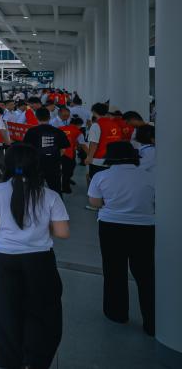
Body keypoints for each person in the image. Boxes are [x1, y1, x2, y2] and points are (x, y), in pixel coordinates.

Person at [0, 144, 70, 369]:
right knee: (42, 311)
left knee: (5, 311)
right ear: (36, 166)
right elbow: (62, 232)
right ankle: (36, 360)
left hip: (3, 259)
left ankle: (10, 361)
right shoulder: (50, 195)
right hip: (40, 261)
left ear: (8, 164)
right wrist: (42, 227)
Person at [87, 142, 155, 336]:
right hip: (144, 228)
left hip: (111, 227)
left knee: (114, 269)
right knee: (145, 273)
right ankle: (152, 321)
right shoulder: (149, 176)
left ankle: (117, 313)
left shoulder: (101, 176)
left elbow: (95, 202)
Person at [21, 107, 70, 193]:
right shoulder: (58, 131)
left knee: (34, 189)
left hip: (36, 165)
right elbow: (63, 149)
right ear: (49, 117)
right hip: (53, 164)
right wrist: (55, 156)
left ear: (36, 117)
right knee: (55, 189)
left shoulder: (31, 131)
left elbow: (26, 149)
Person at [85, 102, 124, 190]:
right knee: (109, 183)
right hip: (113, 159)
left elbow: (94, 143)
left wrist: (89, 157)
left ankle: (96, 198)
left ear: (94, 112)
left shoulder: (96, 125)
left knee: (96, 183)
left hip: (99, 160)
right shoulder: (115, 124)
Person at [60, 116, 85, 193]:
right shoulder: (77, 131)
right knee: (68, 170)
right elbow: (82, 144)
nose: (80, 127)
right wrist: (89, 154)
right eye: (80, 126)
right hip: (69, 153)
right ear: (78, 125)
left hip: (60, 152)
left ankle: (67, 179)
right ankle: (65, 188)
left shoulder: (60, 128)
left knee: (67, 169)